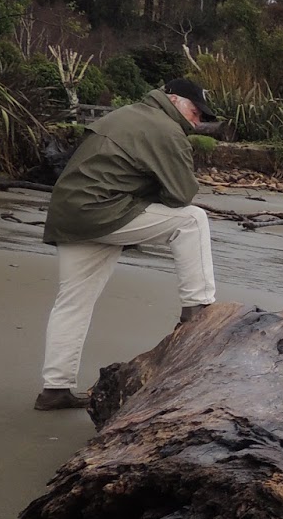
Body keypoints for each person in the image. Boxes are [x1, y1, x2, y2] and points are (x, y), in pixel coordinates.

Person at [34, 77, 220, 410]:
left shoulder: (128, 113)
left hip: (70, 212)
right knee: (193, 220)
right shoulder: (166, 129)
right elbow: (182, 196)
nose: (197, 121)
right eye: (195, 112)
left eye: (202, 117)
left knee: (72, 303)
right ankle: (198, 309)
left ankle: (55, 389)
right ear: (175, 100)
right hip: (102, 211)